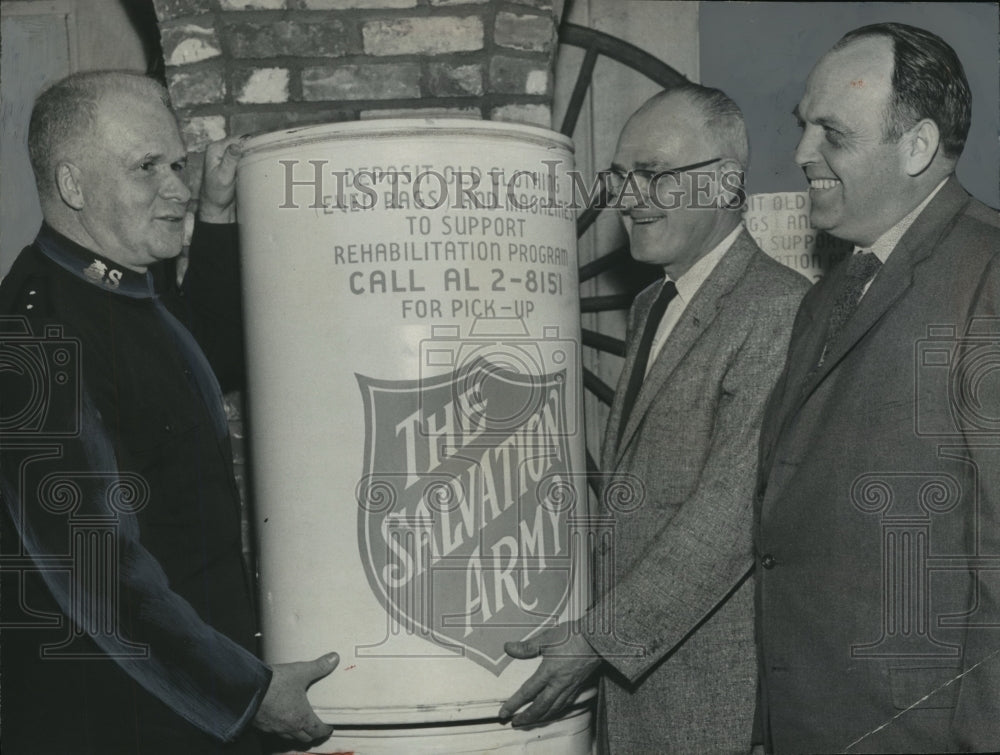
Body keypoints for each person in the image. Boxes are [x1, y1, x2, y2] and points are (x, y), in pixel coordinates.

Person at [0, 71, 336, 754]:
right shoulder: (35, 337)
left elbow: (196, 361)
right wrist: (245, 693)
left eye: (177, 164)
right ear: (72, 186)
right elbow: (97, 570)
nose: (177, 189)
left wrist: (215, 216)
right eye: (146, 167)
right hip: (116, 721)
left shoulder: (121, 291)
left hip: (177, 709)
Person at [498, 84, 810, 753]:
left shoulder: (780, 311)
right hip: (639, 694)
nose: (628, 197)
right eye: (620, 175)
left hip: (714, 702)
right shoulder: (650, 305)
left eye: (655, 175)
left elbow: (730, 514)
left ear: (726, 183)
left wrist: (596, 636)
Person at [755, 23, 1000, 753]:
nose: (801, 154)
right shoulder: (826, 296)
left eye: (832, 132)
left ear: (918, 146)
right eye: (804, 127)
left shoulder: (988, 276)